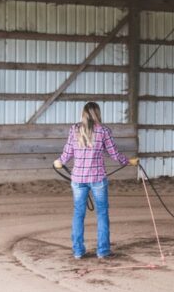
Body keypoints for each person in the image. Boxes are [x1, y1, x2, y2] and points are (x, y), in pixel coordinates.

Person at [53, 102, 138, 260]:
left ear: (83, 113)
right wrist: (129, 162)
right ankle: (103, 251)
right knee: (102, 214)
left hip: (78, 179)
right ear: (97, 113)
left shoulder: (74, 129)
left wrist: (58, 162)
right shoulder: (104, 131)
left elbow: (67, 153)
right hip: (98, 178)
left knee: (78, 214)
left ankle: (78, 251)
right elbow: (114, 154)